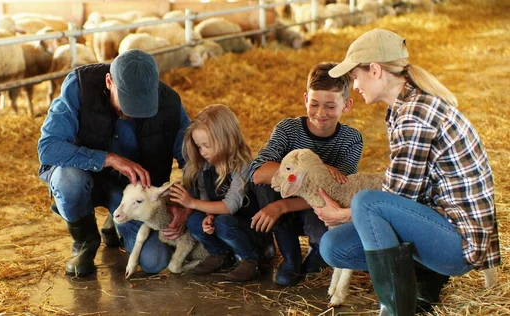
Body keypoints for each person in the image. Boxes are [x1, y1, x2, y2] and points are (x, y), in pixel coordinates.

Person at [320, 28, 501, 315]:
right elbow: (404, 190)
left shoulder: (415, 113)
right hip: (439, 223)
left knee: (365, 202)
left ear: (376, 70)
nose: (354, 86)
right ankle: (416, 280)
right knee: (333, 246)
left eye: (355, 77)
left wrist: (343, 214)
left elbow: (397, 196)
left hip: (460, 243)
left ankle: (395, 309)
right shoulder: (402, 108)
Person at [37, 49, 192, 277]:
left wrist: (186, 203)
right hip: (85, 176)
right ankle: (85, 243)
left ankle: (115, 218)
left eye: (143, 104)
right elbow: (48, 147)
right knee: (67, 179)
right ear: (109, 82)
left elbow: (191, 160)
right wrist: (108, 159)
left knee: (155, 260)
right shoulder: (80, 87)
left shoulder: (169, 103)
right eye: (129, 103)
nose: (136, 112)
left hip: (130, 192)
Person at [249, 62, 363, 286]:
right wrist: (314, 170)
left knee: (328, 238)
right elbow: (258, 173)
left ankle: (318, 250)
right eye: (314, 104)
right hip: (283, 206)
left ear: (347, 105)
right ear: (305, 99)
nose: (320, 113)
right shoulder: (288, 129)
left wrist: (281, 206)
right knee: (265, 186)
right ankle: (290, 258)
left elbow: (339, 190)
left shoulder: (351, 139)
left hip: (315, 208)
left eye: (330, 106)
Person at [168, 104, 262, 282]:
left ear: (227, 138)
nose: (202, 152)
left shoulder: (242, 165)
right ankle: (220, 254)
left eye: (207, 145)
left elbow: (230, 206)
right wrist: (208, 216)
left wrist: (191, 203)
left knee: (224, 222)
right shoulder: (204, 165)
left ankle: (251, 259)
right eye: (198, 146)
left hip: (246, 227)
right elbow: (205, 195)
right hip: (221, 220)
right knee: (195, 220)